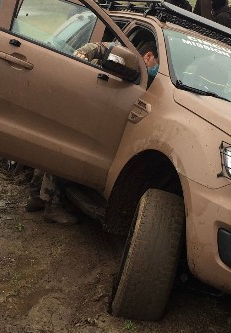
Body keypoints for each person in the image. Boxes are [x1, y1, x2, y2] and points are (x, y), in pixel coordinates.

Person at [27, 41, 160, 225]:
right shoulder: (126, 53)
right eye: (156, 63)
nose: (156, 69)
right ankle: (52, 205)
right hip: (83, 100)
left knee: (55, 147)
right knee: (61, 150)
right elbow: (98, 47)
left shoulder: (139, 66)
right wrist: (81, 58)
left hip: (92, 104)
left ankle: (36, 197)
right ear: (149, 56)